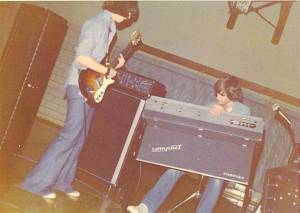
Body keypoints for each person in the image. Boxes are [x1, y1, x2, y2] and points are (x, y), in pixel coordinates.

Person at [20, 1, 139, 199]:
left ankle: (62, 181)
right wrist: (107, 70)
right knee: (70, 134)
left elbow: (97, 62)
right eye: (129, 14)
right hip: (79, 85)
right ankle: (35, 183)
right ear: (121, 9)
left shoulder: (109, 28)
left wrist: (115, 65)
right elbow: (82, 58)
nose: (129, 19)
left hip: (89, 87)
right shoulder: (96, 24)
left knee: (79, 137)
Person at [127, 75, 251, 213]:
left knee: (217, 181)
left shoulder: (243, 111)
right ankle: (146, 207)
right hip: (200, 153)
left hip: (221, 159)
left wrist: (224, 116)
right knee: (173, 169)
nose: (217, 97)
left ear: (232, 94)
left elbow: (239, 140)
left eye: (221, 95)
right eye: (216, 93)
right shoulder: (210, 107)